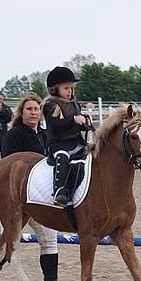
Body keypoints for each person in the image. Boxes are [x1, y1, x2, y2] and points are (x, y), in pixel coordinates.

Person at [0, 93, 72, 281]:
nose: (34, 112)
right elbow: (7, 167)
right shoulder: (14, 136)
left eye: (37, 109)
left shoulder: (47, 135)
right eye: (29, 109)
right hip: (18, 197)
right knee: (9, 239)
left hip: (41, 197)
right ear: (22, 112)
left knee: (49, 239)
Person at [42, 66, 89, 206]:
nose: (70, 91)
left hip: (76, 142)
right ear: (55, 89)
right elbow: (55, 125)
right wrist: (74, 119)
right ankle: (60, 191)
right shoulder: (50, 105)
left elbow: (79, 126)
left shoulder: (75, 104)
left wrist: (85, 124)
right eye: (66, 88)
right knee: (62, 156)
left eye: (71, 88)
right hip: (58, 143)